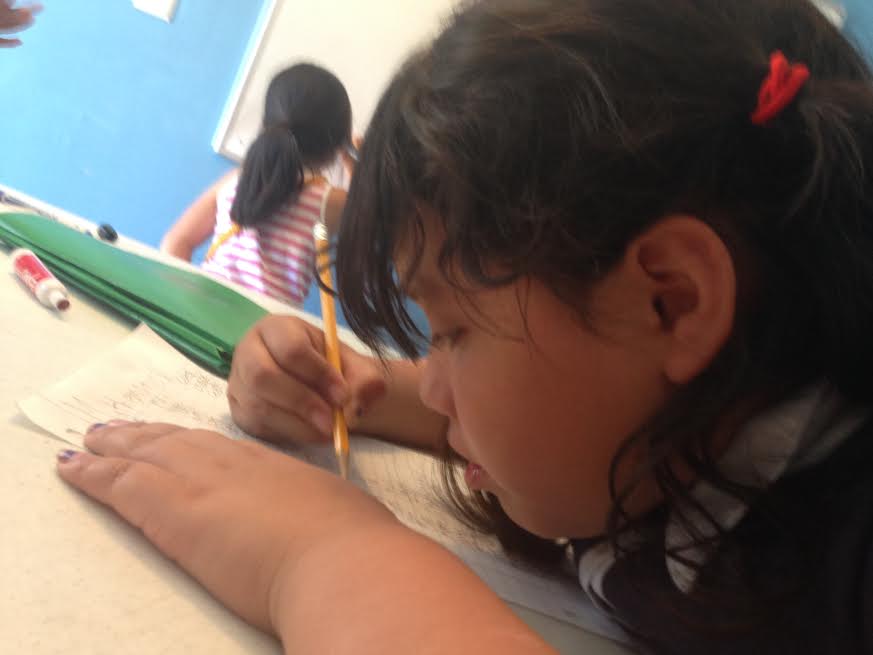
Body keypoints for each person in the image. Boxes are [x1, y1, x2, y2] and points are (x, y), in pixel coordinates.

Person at [56, 0, 873, 652]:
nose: (433, 382)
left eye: (450, 332)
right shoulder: (697, 408)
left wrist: (328, 559)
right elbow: (552, 397)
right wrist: (350, 386)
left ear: (672, 301)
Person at [160, 63, 353, 307]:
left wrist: (185, 305)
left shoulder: (235, 181)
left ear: (266, 123)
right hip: (267, 324)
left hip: (202, 308)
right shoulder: (330, 203)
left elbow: (175, 243)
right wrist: (354, 166)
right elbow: (372, 217)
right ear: (337, 146)